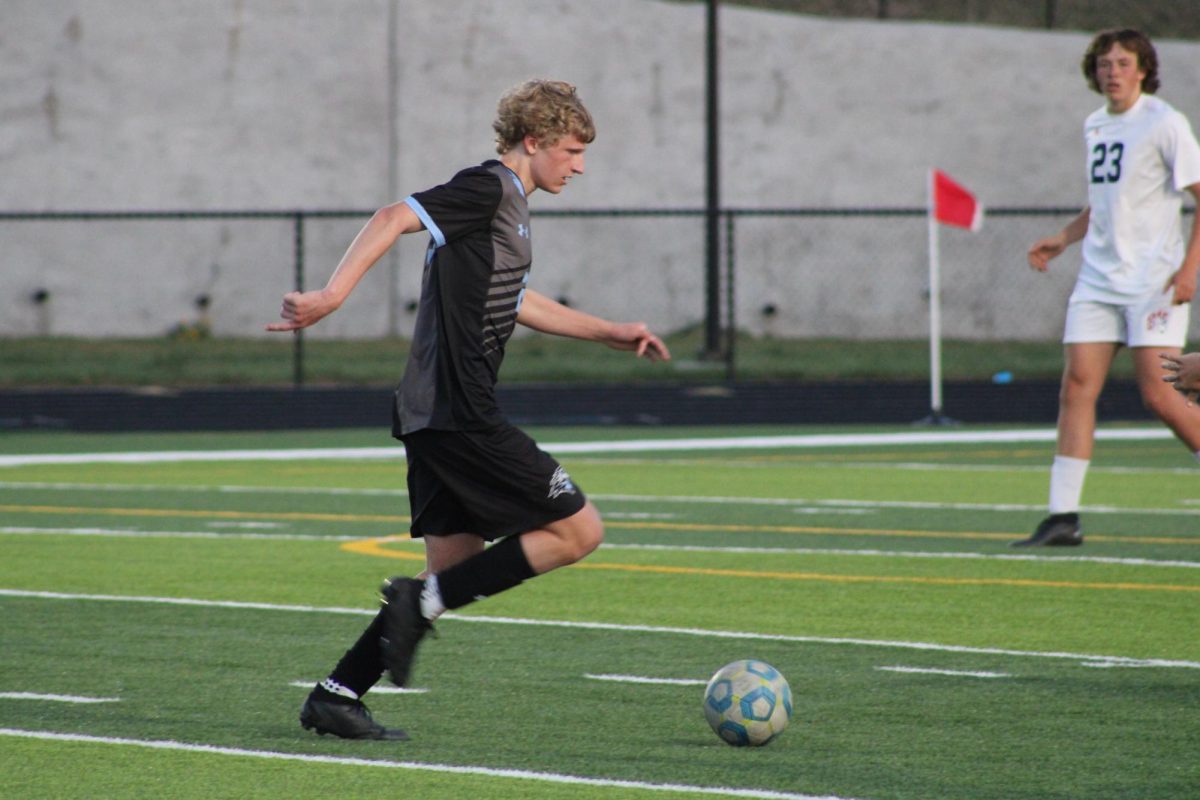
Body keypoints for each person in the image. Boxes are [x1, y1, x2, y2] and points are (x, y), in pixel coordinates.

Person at [267, 79, 671, 739]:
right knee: (579, 531)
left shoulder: (510, 208)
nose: (580, 165)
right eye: (570, 150)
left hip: (434, 414)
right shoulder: (487, 189)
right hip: (459, 413)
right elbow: (392, 216)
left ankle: (336, 695)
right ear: (533, 141)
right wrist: (332, 297)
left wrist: (611, 330)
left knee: (451, 574)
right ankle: (413, 602)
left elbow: (516, 299)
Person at [1015, 29, 1200, 547]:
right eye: (1103, 63)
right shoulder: (1096, 123)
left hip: (1153, 284)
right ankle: (1061, 517)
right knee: (1075, 388)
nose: (1111, 71)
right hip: (1098, 281)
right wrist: (1064, 238)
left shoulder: (1165, 123)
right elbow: (1107, 200)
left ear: (1143, 69)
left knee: (1163, 395)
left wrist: (1189, 271)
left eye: (1122, 62)